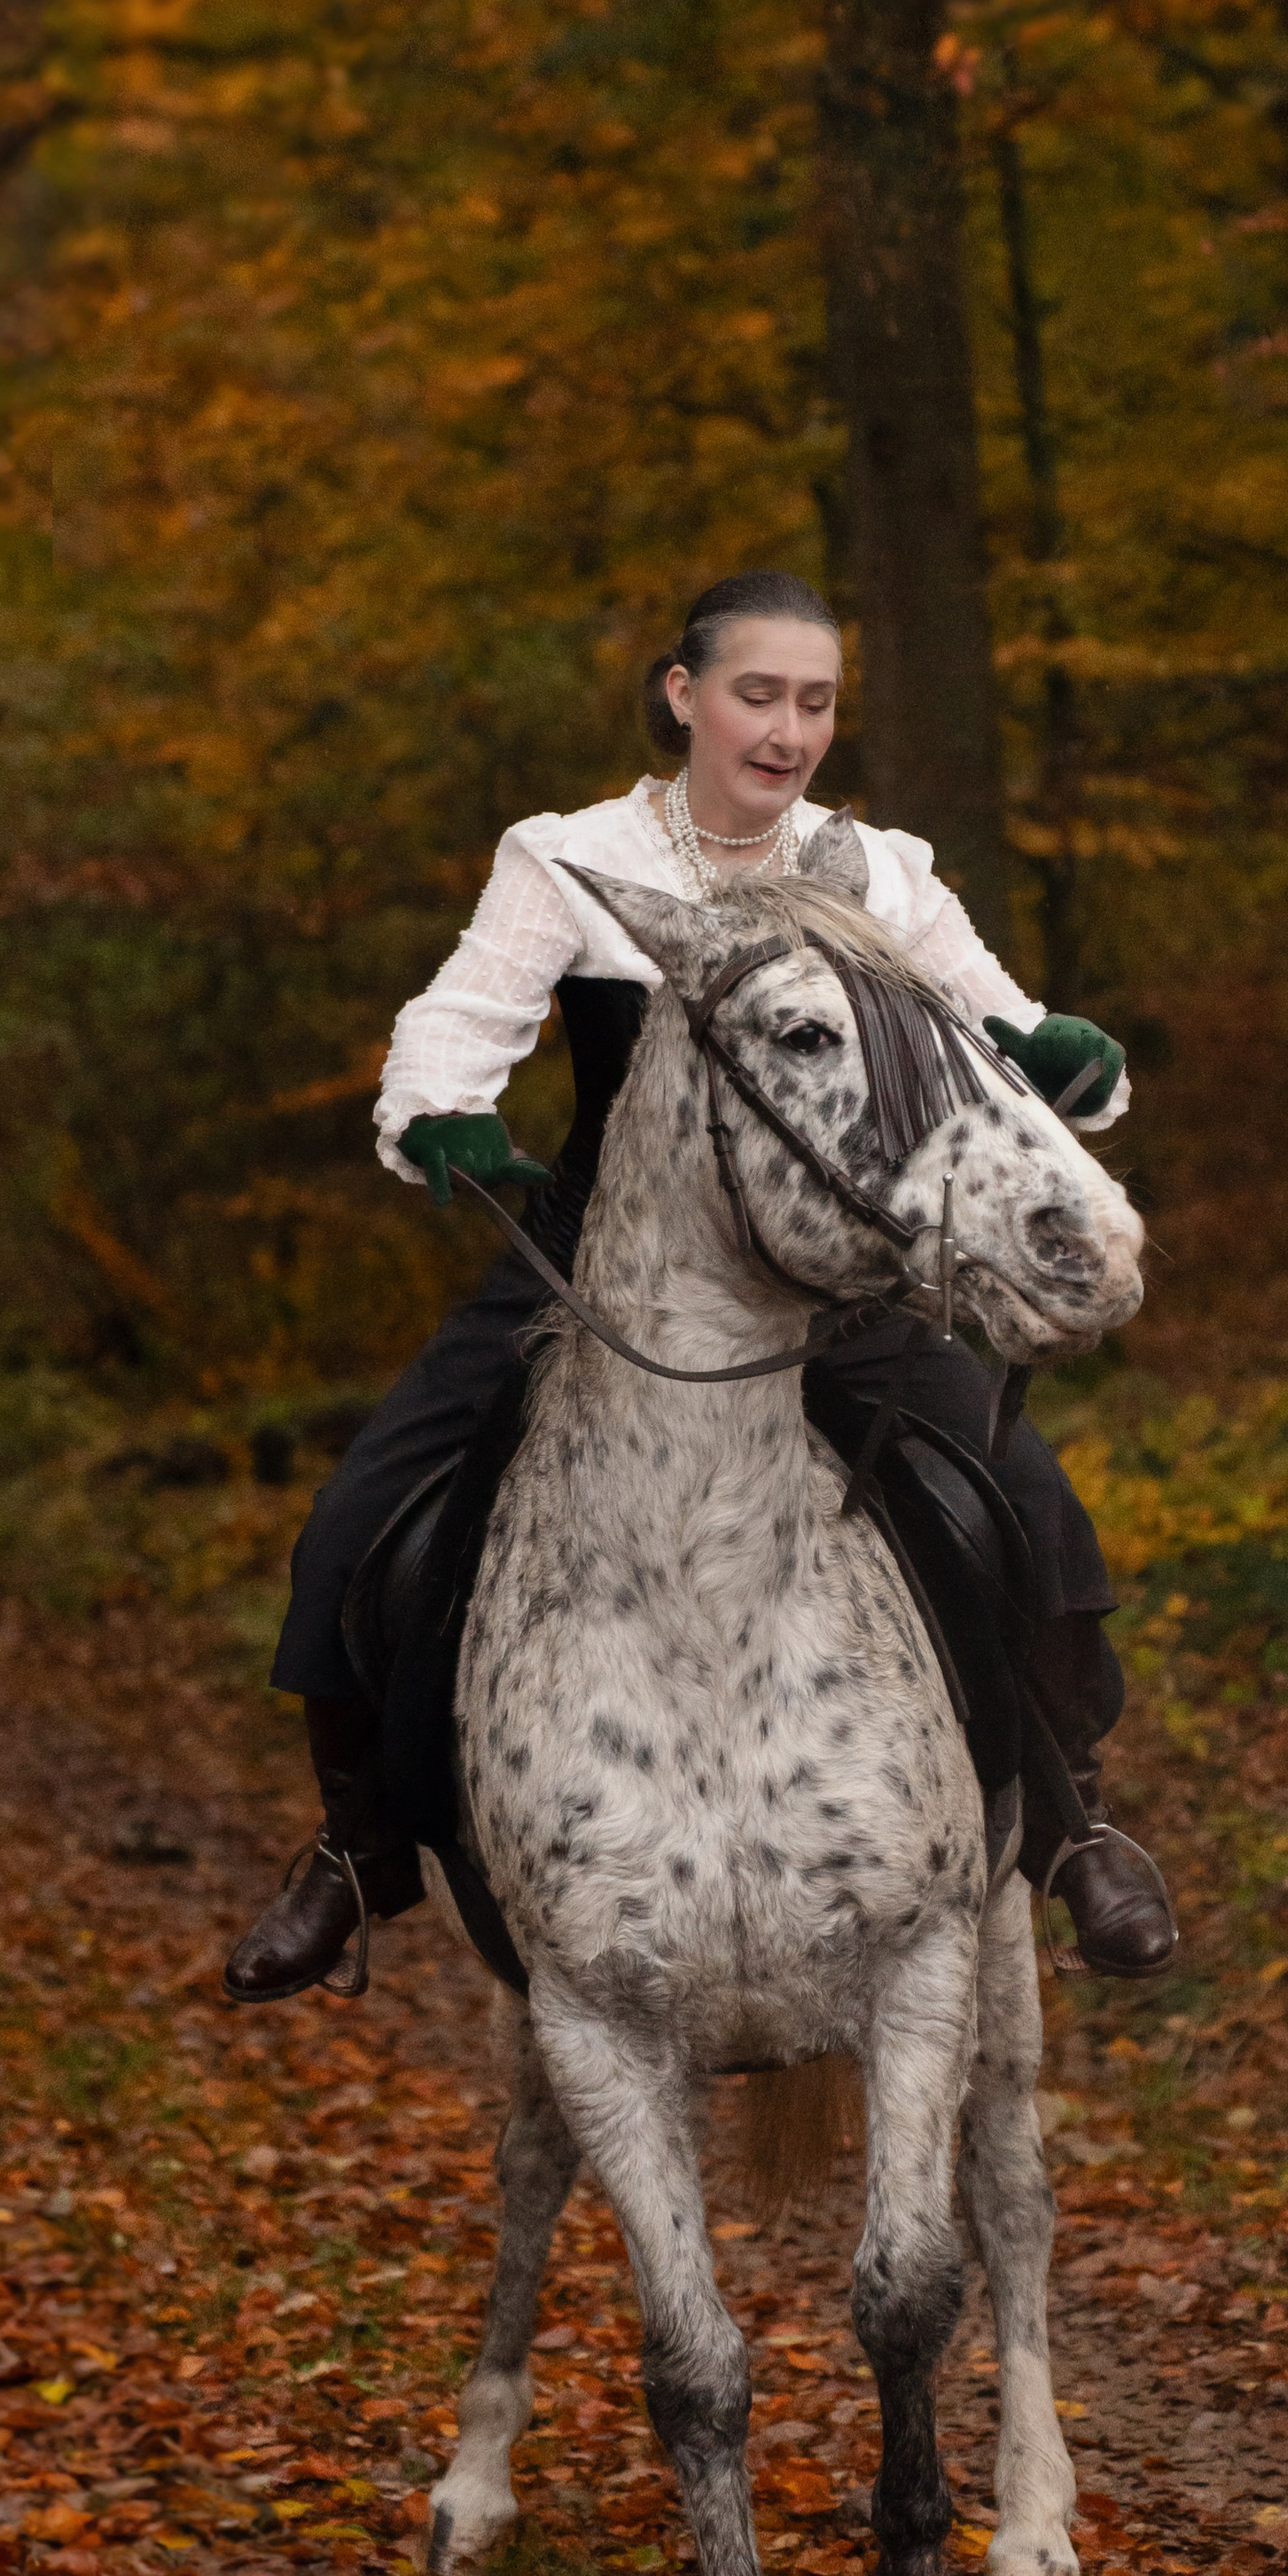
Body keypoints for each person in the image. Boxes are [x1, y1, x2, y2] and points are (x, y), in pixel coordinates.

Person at [223, 568, 1177, 2004]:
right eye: (758, 693)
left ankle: (1070, 1816)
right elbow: (452, 1024)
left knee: (1028, 1504)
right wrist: (441, 1115)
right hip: (597, 1258)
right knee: (359, 1519)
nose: (788, 728)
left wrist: (1059, 1057)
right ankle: (361, 1846)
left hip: (830, 1264)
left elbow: (994, 1020)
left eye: (816, 700)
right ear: (686, 696)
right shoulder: (571, 859)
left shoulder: (879, 870)